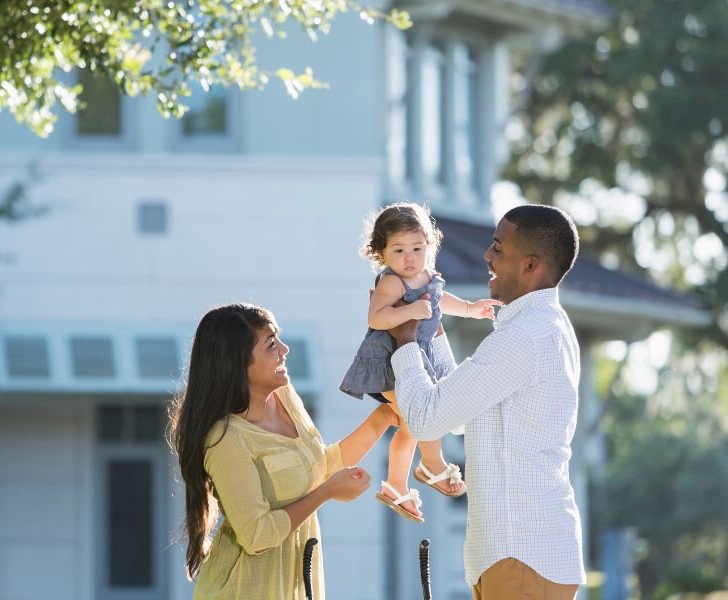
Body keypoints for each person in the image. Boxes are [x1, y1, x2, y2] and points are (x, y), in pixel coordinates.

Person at [388, 204, 585, 599]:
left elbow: (427, 420)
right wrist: (432, 333)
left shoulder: (524, 337)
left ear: (531, 266)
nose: (486, 256)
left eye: (498, 248)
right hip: (522, 558)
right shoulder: (542, 328)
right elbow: (460, 411)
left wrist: (405, 341)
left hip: (523, 560)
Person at [168, 303, 399, 600]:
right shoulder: (225, 439)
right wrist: (327, 492)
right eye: (272, 344)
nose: (285, 350)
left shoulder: (284, 398)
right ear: (238, 362)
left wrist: (383, 417)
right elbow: (257, 535)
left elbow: (318, 467)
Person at [339, 202, 500, 522]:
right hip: (387, 362)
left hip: (414, 357)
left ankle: (397, 484)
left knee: (413, 424)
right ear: (380, 253)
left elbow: (440, 303)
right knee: (422, 414)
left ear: (430, 246)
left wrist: (470, 308)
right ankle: (432, 464)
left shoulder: (426, 276)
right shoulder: (391, 283)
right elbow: (377, 316)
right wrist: (408, 313)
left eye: (417, 248)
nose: (409, 258)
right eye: (398, 250)